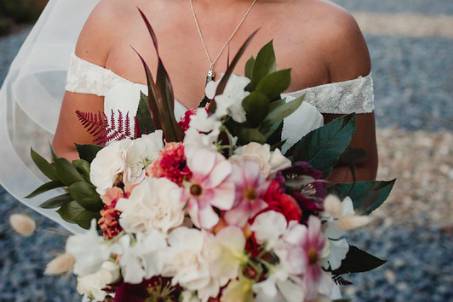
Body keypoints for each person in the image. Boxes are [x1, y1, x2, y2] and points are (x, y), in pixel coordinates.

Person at [0, 0, 376, 232]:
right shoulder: (112, 17)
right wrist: (134, 225)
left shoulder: (332, 32)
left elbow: (357, 170)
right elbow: (69, 150)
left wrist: (271, 230)